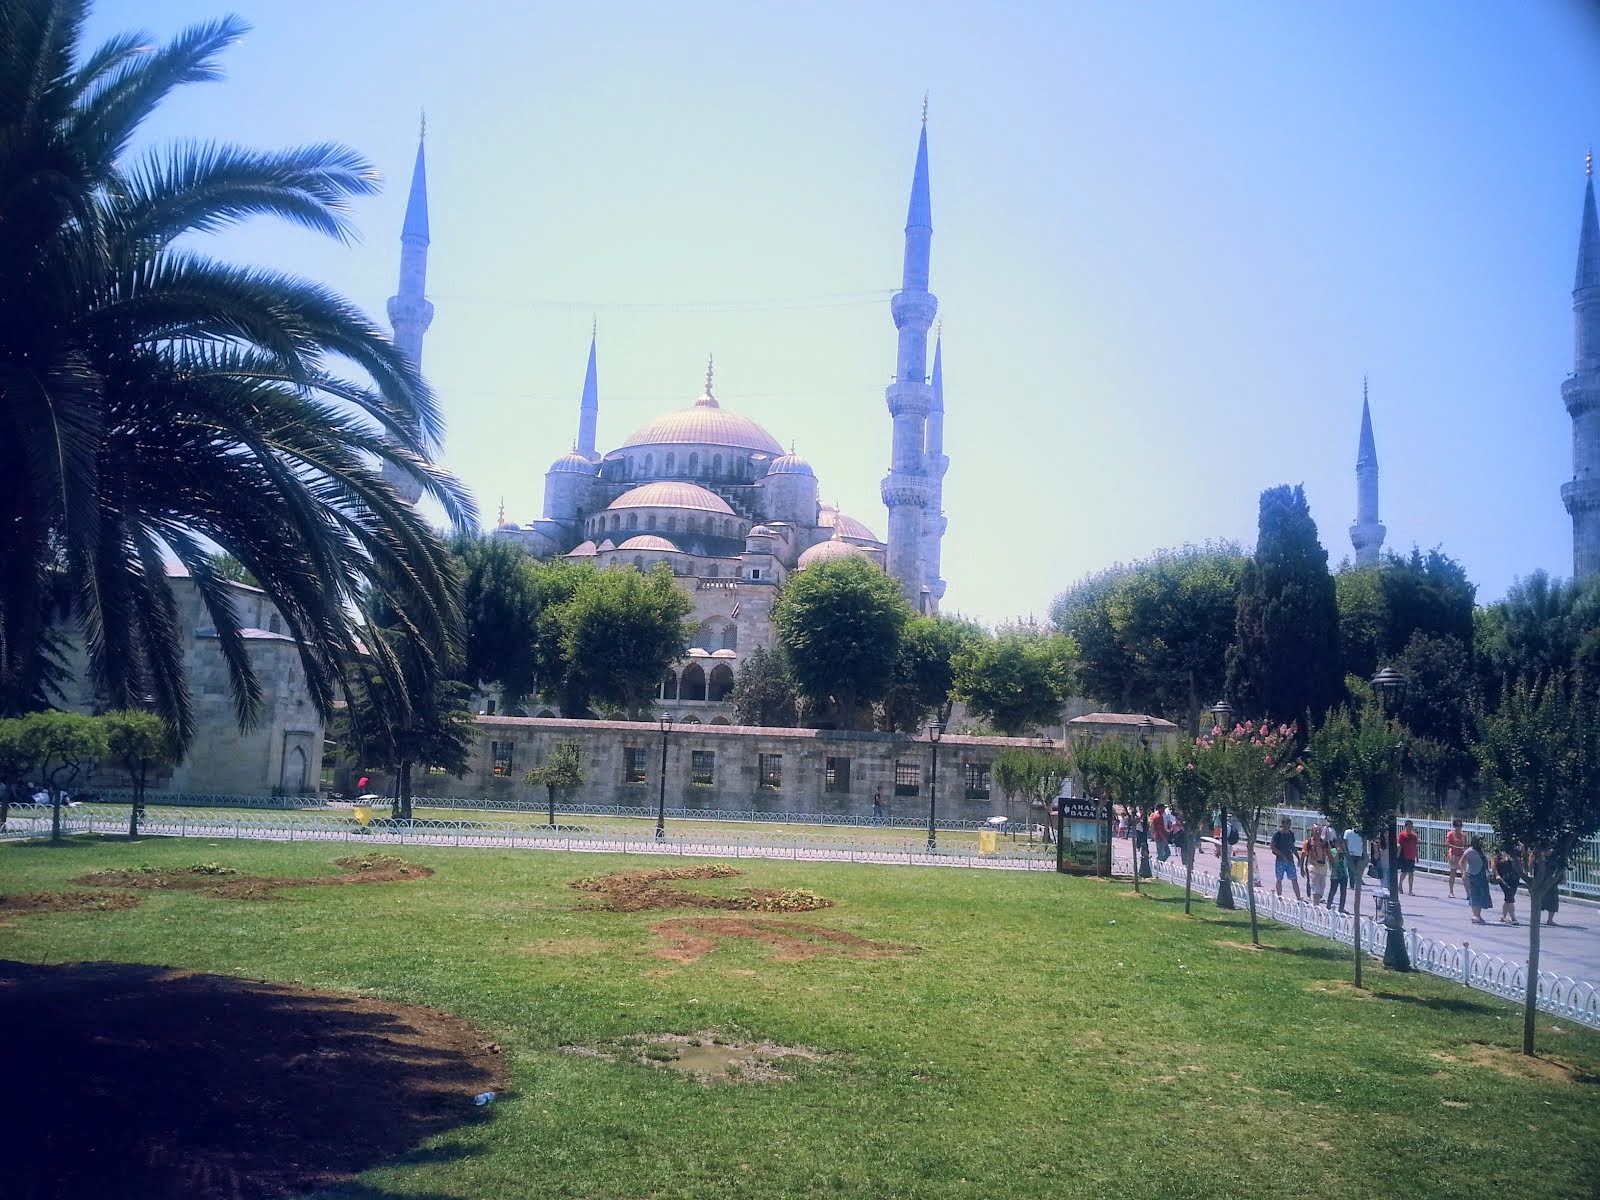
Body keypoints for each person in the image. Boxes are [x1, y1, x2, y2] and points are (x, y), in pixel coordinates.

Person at [1270, 817, 1302, 901]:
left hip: (1290, 860)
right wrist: (1281, 854)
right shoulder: (1278, 834)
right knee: (1279, 879)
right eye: (1287, 824)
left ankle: (1298, 898)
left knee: (1294, 879)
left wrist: (1298, 857)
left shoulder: (1291, 834)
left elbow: (1293, 846)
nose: (1288, 826)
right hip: (1280, 860)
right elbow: (1272, 846)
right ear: (1283, 824)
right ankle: (1279, 897)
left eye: (1289, 824)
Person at [1462, 836, 1491, 925]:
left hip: (1481, 874)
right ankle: (1475, 915)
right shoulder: (1470, 851)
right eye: (1479, 841)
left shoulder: (1480, 851)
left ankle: (1478, 915)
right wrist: (1463, 872)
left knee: (1482, 894)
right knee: (1475, 894)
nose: (1481, 843)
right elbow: (1461, 862)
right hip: (1474, 874)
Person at [1493, 845, 1522, 926]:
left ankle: (1503, 916)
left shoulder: (1516, 852)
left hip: (1514, 878)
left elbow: (1521, 862)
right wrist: (1497, 874)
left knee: (1509, 897)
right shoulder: (1499, 853)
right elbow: (1493, 864)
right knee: (1509, 895)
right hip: (1503, 877)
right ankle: (1513, 917)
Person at [1302, 823, 1330, 904]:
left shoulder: (1324, 843)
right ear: (1312, 831)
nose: (1318, 832)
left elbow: (1330, 855)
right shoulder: (1308, 842)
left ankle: (1317, 903)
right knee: (1315, 888)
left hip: (1323, 867)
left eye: (1319, 830)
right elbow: (1303, 855)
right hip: (1312, 867)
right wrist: (1301, 868)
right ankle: (1316, 907)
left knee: (1322, 887)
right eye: (1316, 830)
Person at [1445, 818, 1468, 898]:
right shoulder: (1450, 834)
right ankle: (1451, 892)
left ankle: (1468, 893)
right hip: (1453, 855)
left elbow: (1465, 846)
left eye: (1460, 825)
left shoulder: (1463, 835)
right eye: (1457, 826)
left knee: (1464, 873)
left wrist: (1463, 849)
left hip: (1461, 856)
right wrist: (1458, 847)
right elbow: (1448, 844)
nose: (1459, 827)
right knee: (1453, 873)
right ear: (1454, 826)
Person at [1396, 820, 1420, 896]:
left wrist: (1417, 857)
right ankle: (1400, 885)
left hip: (1411, 856)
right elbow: (1399, 845)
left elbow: (1416, 846)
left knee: (1411, 873)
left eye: (1411, 826)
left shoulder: (1414, 836)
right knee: (1404, 872)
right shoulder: (1402, 835)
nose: (1411, 827)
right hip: (1404, 856)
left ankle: (1410, 890)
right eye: (1409, 826)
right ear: (1405, 826)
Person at [1326, 839, 1350, 914]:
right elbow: (1333, 860)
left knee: (1343, 892)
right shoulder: (1333, 851)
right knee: (1333, 890)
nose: (1340, 845)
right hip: (1335, 875)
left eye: (1341, 843)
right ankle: (1328, 905)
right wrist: (1337, 852)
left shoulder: (1345, 852)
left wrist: (1345, 851)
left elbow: (1348, 861)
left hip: (1344, 874)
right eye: (1338, 843)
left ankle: (1341, 908)